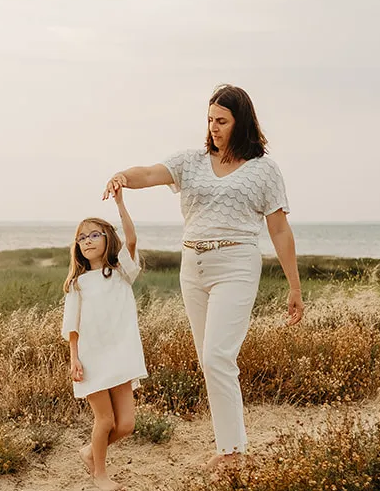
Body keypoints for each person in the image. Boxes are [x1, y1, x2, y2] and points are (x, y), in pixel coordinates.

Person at [103, 83, 302, 469]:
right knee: (209, 360)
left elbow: (279, 230)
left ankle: (232, 454)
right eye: (210, 119)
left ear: (241, 122)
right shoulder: (190, 161)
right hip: (192, 267)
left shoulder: (264, 170)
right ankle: (231, 445)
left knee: (217, 357)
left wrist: (294, 287)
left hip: (237, 265)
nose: (214, 127)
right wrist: (121, 177)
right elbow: (149, 172)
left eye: (222, 121)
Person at [61, 188, 148, 491]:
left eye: (93, 235)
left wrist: (121, 202)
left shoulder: (121, 272)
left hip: (121, 355)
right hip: (92, 358)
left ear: (108, 238)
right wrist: (74, 358)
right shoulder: (77, 284)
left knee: (125, 425)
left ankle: (89, 452)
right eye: (81, 238)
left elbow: (133, 240)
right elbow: (71, 327)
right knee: (105, 421)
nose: (86, 241)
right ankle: (100, 474)